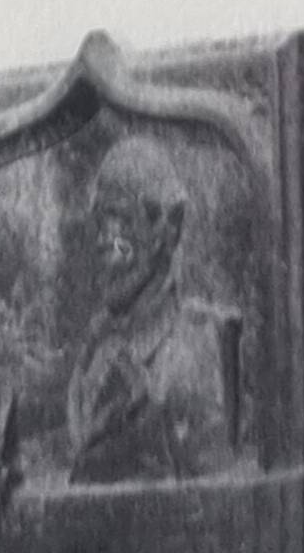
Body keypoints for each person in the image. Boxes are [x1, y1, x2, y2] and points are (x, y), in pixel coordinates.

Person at [63, 136, 241, 485]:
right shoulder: (96, 351)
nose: (104, 242)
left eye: (120, 221)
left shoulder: (198, 342)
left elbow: (215, 498)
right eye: (100, 224)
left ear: (167, 228)